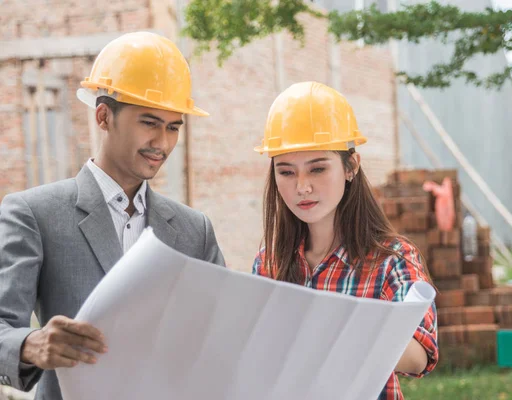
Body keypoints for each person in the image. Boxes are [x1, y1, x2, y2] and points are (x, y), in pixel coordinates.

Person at [0, 31, 225, 399]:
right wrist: (32, 345)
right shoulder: (34, 214)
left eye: (173, 128)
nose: (163, 144)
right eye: (150, 123)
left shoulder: (193, 230)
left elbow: (221, 332)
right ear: (104, 116)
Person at [252, 81, 438, 400]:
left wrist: (326, 326)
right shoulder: (269, 262)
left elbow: (419, 355)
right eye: (286, 172)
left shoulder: (392, 259)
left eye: (318, 169)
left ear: (351, 166)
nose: (302, 187)